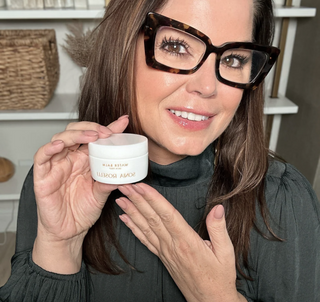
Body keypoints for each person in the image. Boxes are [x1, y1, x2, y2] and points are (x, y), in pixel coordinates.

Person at [1, 0, 319, 301]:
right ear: (121, 50)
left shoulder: (283, 200)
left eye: (233, 58)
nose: (207, 87)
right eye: (176, 46)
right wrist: (59, 246)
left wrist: (218, 297)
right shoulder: (61, 181)